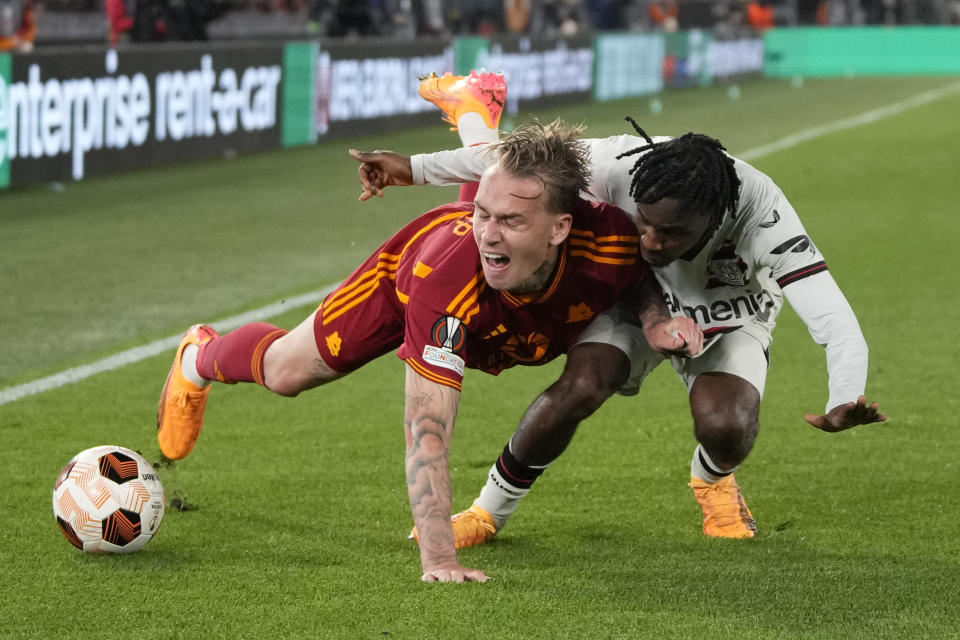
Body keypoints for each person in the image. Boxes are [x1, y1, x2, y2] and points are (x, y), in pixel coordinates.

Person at [349, 72, 886, 547]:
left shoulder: (763, 215)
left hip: (729, 309)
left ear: (715, 217)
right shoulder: (620, 165)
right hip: (636, 292)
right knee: (580, 385)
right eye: (643, 223)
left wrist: (845, 394)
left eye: (670, 231)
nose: (650, 238)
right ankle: (486, 513)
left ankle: (713, 477)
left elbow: (832, 316)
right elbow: (509, 162)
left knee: (725, 426)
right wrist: (413, 168)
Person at [157, 119, 699, 583]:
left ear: (562, 227)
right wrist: (439, 557)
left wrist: (654, 320)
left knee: (495, 236)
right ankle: (197, 357)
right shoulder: (447, 287)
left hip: (509, 299)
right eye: (484, 213)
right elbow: (427, 430)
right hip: (404, 284)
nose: (489, 232)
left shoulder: (611, 239)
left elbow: (634, 280)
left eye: (510, 219)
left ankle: (474, 116)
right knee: (286, 373)